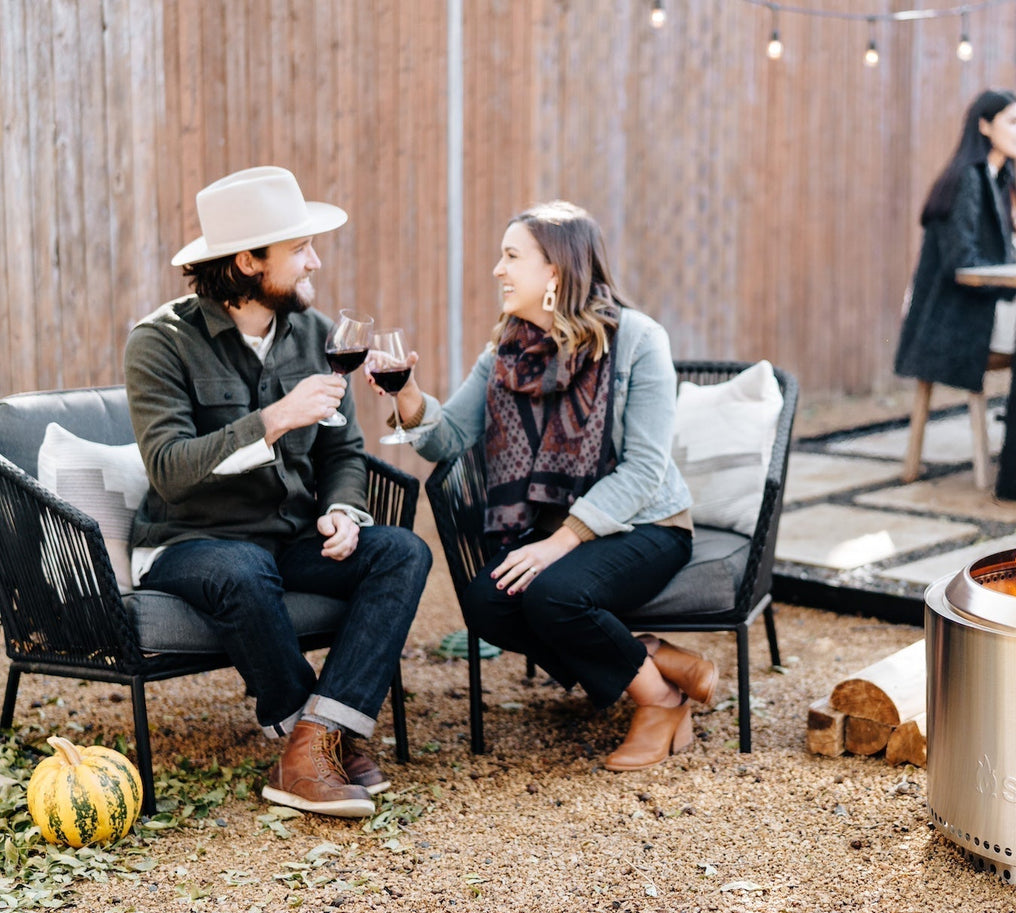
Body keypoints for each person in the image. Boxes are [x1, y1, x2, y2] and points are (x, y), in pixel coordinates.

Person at [124, 166, 432, 819]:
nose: (316, 260)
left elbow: (343, 450)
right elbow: (170, 469)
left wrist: (342, 511)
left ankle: (315, 739)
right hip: (190, 540)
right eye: (299, 249)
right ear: (246, 261)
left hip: (287, 536)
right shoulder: (160, 342)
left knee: (402, 552)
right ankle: (308, 746)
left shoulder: (316, 333)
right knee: (241, 568)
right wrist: (272, 419)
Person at [380, 200, 710, 772]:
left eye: (511, 256)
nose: (497, 270)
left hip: (647, 525)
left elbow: (644, 469)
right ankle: (654, 660)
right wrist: (406, 395)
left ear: (554, 271)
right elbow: (450, 437)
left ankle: (657, 702)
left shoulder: (637, 340)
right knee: (486, 602)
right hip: (553, 528)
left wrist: (559, 543)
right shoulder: (506, 353)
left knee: (551, 592)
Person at [893, 89, 1016, 394]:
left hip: (982, 311)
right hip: (956, 319)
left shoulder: (997, 179)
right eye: (1014, 122)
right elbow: (962, 262)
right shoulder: (968, 178)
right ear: (984, 126)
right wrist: (1014, 279)